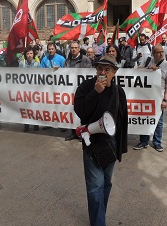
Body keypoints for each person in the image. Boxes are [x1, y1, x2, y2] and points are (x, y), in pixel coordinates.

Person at [74, 54, 128, 226]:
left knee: (106, 184)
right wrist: (95, 93)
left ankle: (99, 217)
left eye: (107, 69)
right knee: (95, 187)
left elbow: (122, 121)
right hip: (92, 145)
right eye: (100, 69)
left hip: (111, 146)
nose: (102, 73)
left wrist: (121, 148)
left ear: (114, 72)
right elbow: (81, 112)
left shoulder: (119, 92)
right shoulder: (86, 87)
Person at [133, 44, 167, 152]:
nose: (161, 54)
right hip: (145, 97)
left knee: (158, 121)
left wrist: (165, 99)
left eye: (162, 52)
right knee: (144, 119)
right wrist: (148, 69)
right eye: (158, 52)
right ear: (153, 54)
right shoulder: (147, 61)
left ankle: (157, 142)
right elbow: (137, 71)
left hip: (158, 98)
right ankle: (143, 141)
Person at [65, 40, 93, 141]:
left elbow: (89, 73)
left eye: (75, 48)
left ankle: (83, 133)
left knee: (83, 112)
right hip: (70, 91)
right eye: (72, 48)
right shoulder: (67, 61)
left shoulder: (85, 59)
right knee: (72, 111)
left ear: (79, 49)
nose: (73, 49)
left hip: (83, 91)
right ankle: (73, 133)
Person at [19, 46, 40, 132]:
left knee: (35, 107)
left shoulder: (37, 64)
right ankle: (26, 124)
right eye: (28, 53)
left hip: (35, 89)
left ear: (34, 54)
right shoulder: (21, 64)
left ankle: (36, 123)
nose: (29, 55)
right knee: (25, 107)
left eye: (31, 53)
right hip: (25, 89)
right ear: (25, 55)